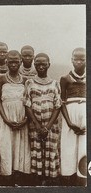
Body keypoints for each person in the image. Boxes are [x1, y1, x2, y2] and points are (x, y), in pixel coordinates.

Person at [24, 53, 61, 186]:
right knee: (37, 149)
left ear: (48, 65)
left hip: (51, 125)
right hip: (35, 125)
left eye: (43, 64)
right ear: (34, 65)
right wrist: (38, 125)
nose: (40, 66)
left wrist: (47, 127)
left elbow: (58, 106)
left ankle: (51, 179)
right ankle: (38, 178)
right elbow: (27, 105)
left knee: (51, 149)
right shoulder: (29, 82)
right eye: (38, 64)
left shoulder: (55, 83)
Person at [0, 50, 31, 186]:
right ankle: (7, 177)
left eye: (16, 61)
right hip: (6, 118)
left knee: (21, 146)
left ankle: (19, 177)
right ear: (6, 62)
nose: (13, 64)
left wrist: (24, 120)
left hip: (21, 118)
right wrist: (5, 119)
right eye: (10, 61)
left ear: (20, 62)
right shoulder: (1, 78)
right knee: (6, 145)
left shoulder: (25, 80)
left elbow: (28, 101)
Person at [60, 48, 86, 186]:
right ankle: (68, 182)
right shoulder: (65, 79)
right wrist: (69, 123)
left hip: (85, 119)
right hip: (70, 118)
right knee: (68, 148)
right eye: (76, 59)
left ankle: (83, 181)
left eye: (82, 59)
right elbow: (62, 103)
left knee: (84, 149)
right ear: (71, 60)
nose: (79, 62)